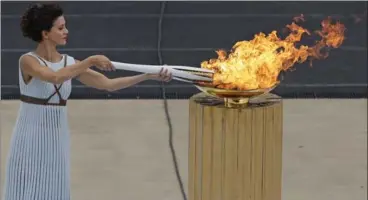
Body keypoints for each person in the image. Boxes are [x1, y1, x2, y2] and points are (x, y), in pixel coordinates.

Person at [2, 2, 172, 200]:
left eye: (65, 26)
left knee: (53, 188)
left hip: (57, 138)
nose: (66, 31)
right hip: (29, 137)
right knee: (28, 188)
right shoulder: (28, 61)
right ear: (45, 33)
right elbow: (54, 77)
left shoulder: (70, 63)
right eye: (60, 28)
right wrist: (90, 61)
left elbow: (108, 85)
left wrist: (147, 76)